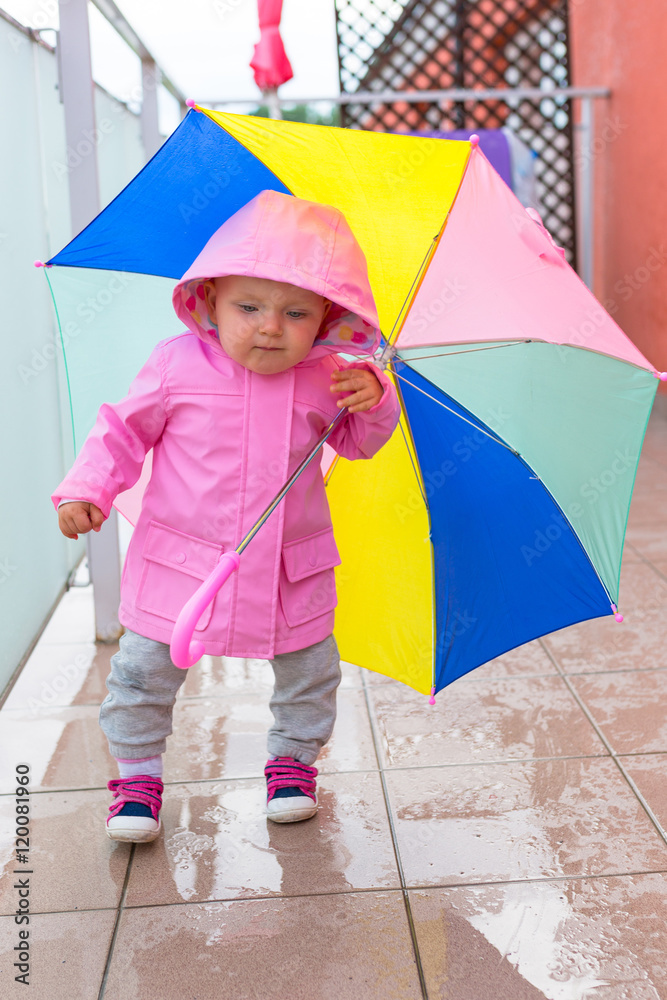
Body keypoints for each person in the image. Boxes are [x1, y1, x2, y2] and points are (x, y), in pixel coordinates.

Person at [52, 190, 400, 843]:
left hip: (288, 570)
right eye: (249, 307)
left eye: (295, 312)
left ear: (326, 316)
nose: (270, 327)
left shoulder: (331, 376)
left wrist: (373, 401)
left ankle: (292, 766)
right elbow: (120, 434)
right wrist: (87, 490)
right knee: (143, 671)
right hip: (180, 564)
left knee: (310, 672)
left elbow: (357, 444)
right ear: (208, 299)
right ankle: (136, 775)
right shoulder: (175, 365)